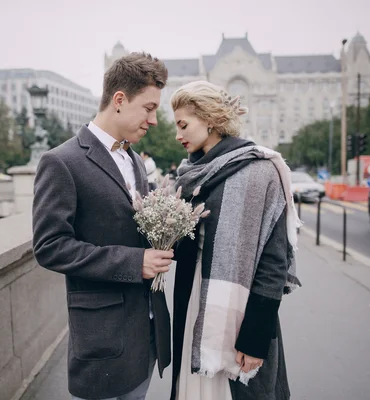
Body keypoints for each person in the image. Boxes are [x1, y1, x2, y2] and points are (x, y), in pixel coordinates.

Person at [32, 52, 174, 400]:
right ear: (120, 100)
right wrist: (133, 262)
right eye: (149, 108)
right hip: (102, 339)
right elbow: (49, 247)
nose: (154, 120)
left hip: (146, 335)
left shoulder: (135, 162)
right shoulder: (61, 162)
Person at [169, 81, 302, 400]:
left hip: (242, 314)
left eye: (183, 124)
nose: (177, 135)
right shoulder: (191, 175)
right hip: (195, 307)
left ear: (210, 119)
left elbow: (274, 264)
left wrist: (255, 338)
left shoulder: (261, 170)